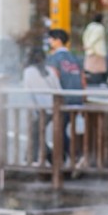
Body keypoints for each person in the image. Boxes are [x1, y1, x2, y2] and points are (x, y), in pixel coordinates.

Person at [45, 27, 85, 165]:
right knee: (63, 128)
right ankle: (63, 158)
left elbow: (54, 79)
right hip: (77, 97)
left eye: (51, 39)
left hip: (63, 99)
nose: (49, 42)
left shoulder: (53, 59)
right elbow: (83, 78)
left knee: (59, 129)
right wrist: (82, 97)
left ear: (57, 41)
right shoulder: (75, 57)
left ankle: (74, 155)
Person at [20, 44, 59, 162]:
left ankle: (34, 158)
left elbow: (27, 93)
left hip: (39, 108)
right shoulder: (49, 70)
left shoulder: (28, 72)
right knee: (37, 133)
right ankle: (39, 156)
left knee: (35, 133)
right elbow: (58, 88)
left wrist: (32, 110)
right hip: (53, 107)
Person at [81, 16, 108, 86]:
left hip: (90, 50)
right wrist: (88, 45)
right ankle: (103, 82)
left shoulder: (90, 26)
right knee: (102, 67)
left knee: (88, 67)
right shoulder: (100, 28)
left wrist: (86, 45)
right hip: (98, 50)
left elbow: (85, 36)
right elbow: (95, 38)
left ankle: (84, 81)